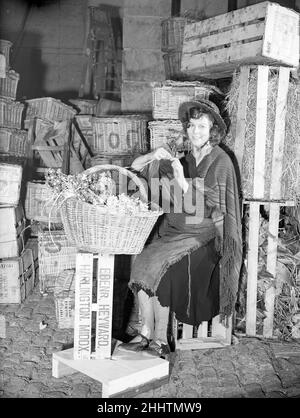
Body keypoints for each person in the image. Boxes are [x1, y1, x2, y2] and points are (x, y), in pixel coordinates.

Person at [119, 97, 242, 359]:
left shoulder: (221, 161)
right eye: (192, 126)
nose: (195, 131)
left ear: (213, 131)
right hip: (175, 230)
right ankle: (145, 332)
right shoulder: (184, 159)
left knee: (166, 271)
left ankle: (160, 340)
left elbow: (215, 209)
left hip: (205, 235)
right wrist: (154, 155)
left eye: (202, 126)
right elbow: (135, 170)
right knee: (140, 259)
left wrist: (182, 182)